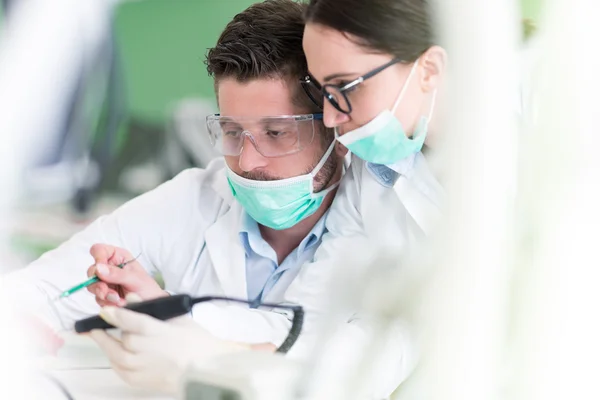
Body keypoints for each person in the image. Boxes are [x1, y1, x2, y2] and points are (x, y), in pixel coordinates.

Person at [4, 1, 413, 397]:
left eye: (276, 132)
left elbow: (339, 366)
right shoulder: (196, 196)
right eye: (233, 131)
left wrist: (177, 319)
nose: (248, 161)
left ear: (335, 128)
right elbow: (38, 290)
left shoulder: (388, 226)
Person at [302, 0, 446, 245]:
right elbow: (330, 273)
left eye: (346, 87)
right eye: (321, 92)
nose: (329, 118)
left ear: (428, 70)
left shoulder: (528, 137)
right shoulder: (366, 177)